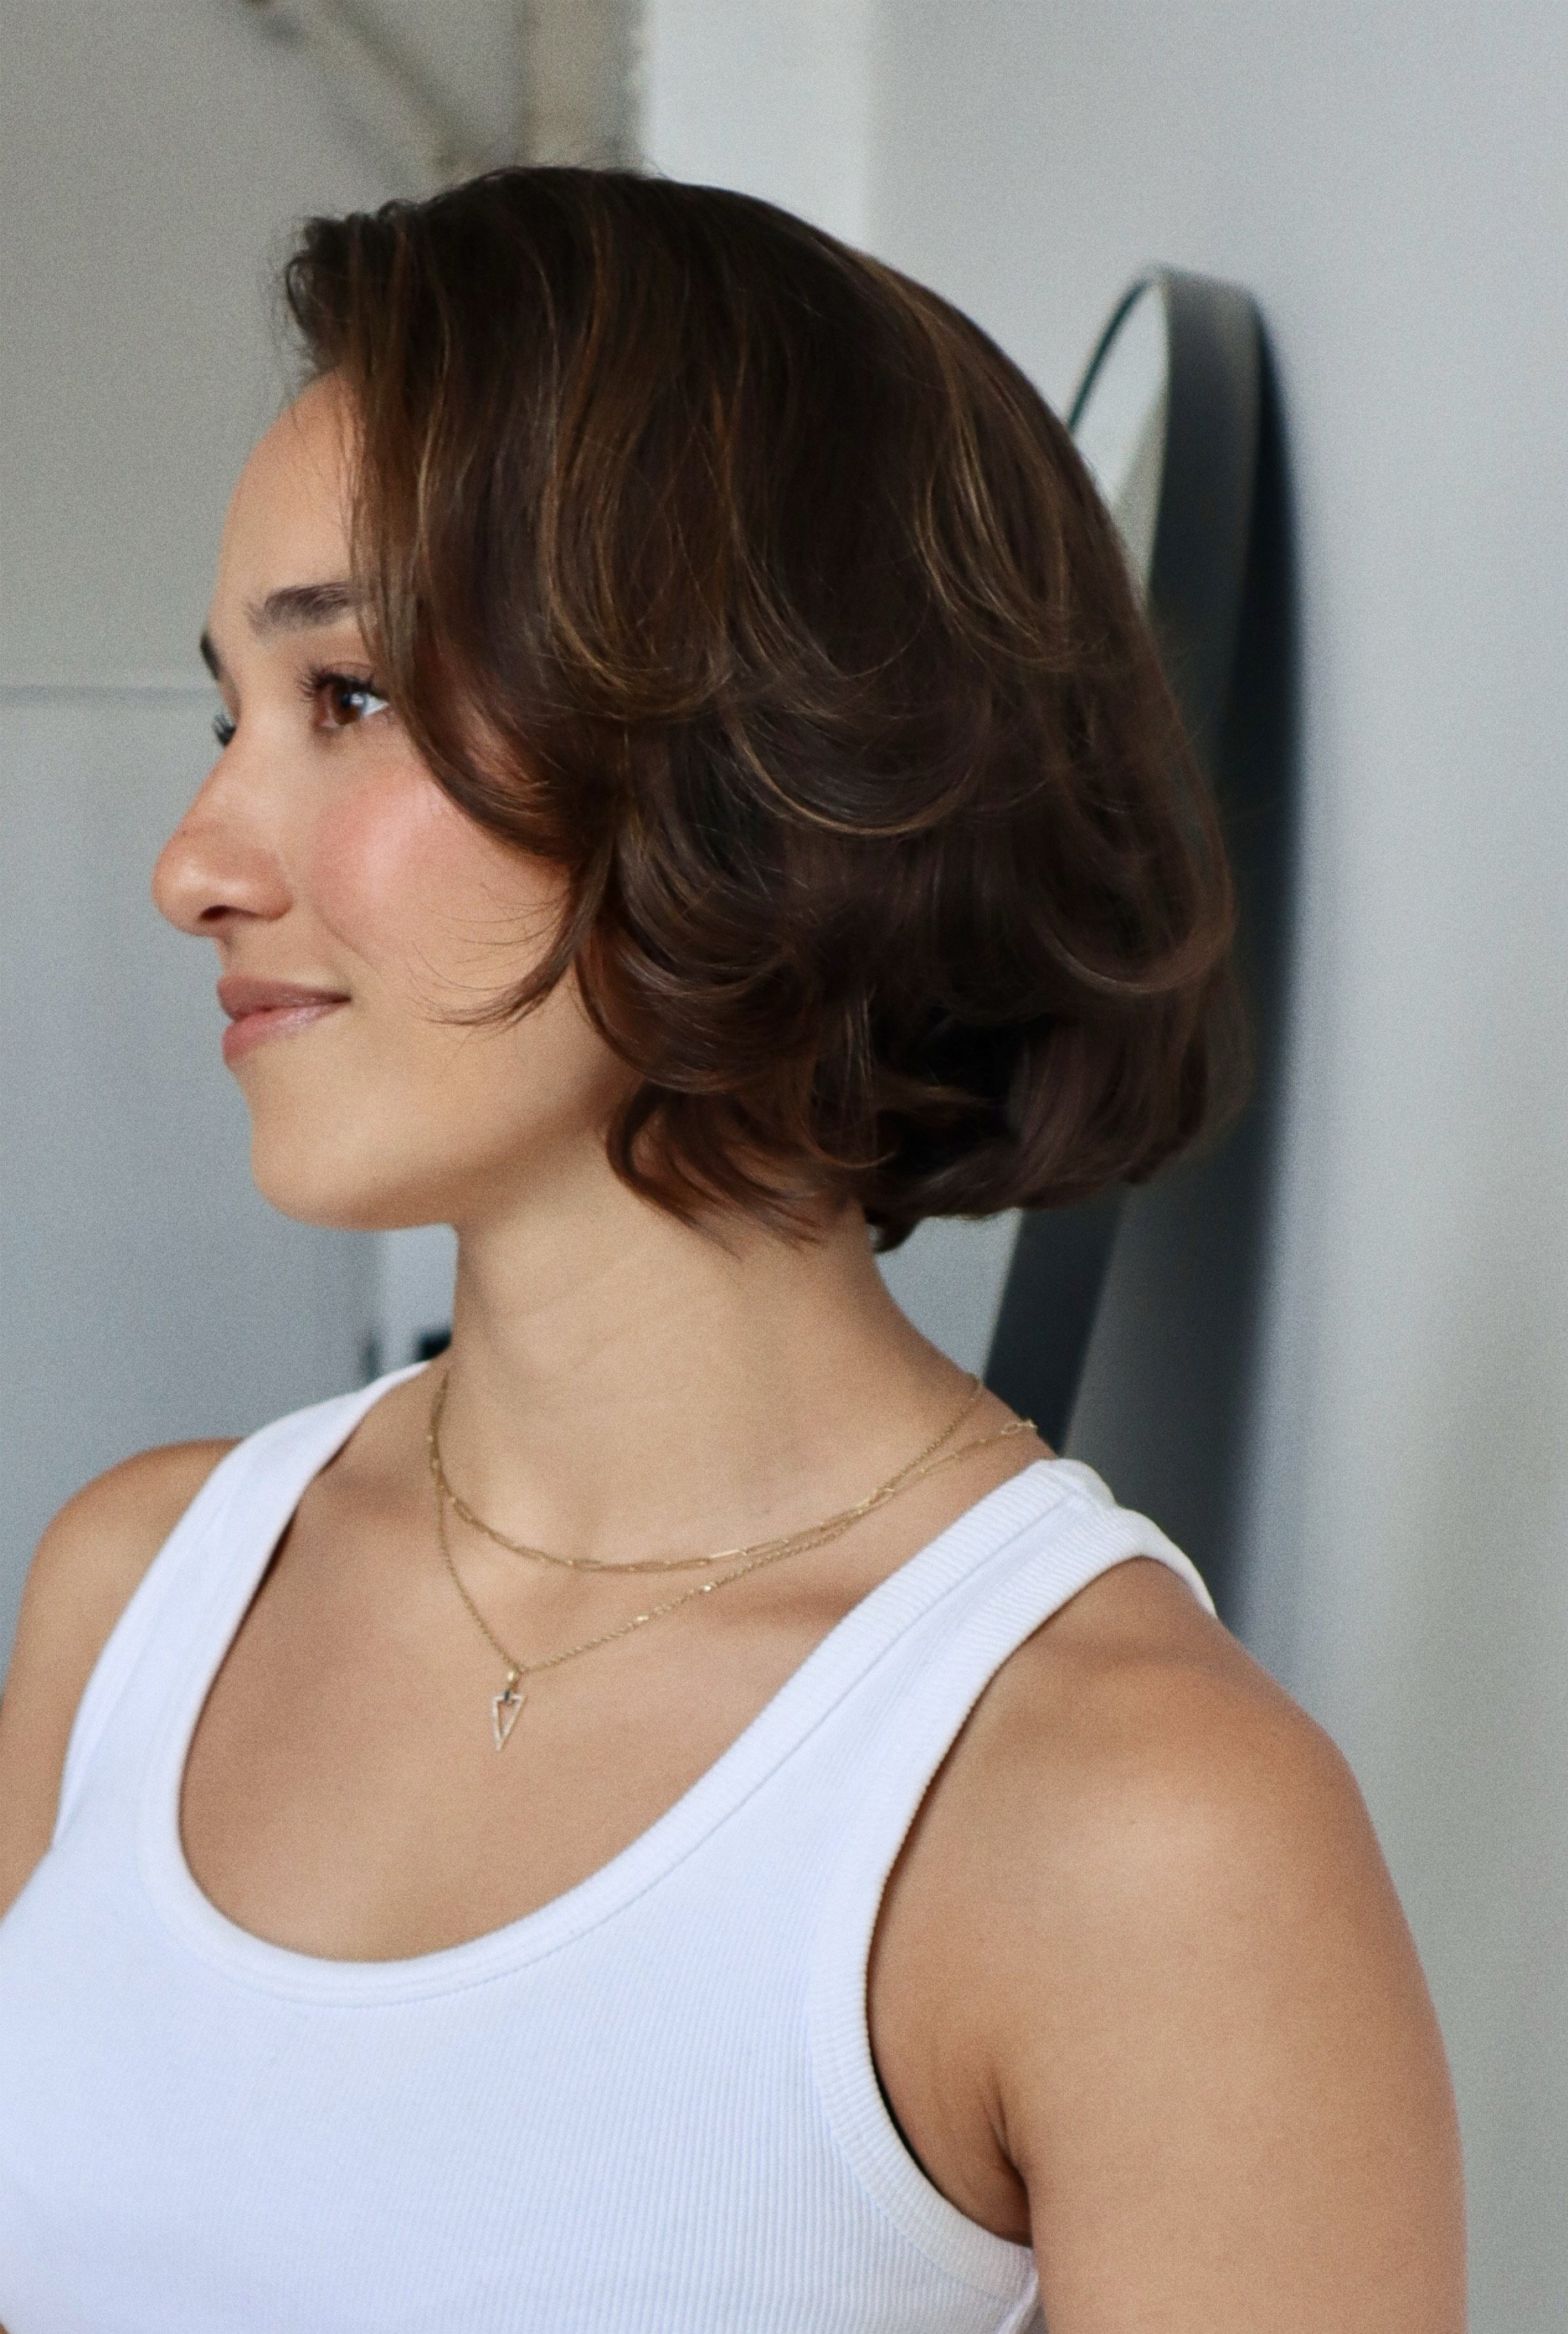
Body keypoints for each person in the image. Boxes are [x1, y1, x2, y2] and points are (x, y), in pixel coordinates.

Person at [0, 168, 1463, 2330]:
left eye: (355, 697)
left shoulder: (1125, 1815)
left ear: (743, 741)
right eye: (233, 712)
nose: (194, 860)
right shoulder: (137, 1598)